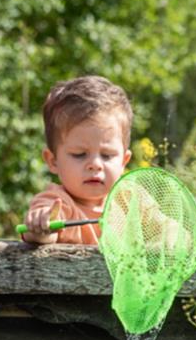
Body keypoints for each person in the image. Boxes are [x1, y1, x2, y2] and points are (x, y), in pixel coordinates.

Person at [22, 76, 133, 245]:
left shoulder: (131, 202)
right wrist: (41, 226)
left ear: (124, 161)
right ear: (53, 161)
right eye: (79, 154)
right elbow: (41, 235)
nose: (95, 164)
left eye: (107, 155)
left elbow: (170, 229)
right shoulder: (57, 202)